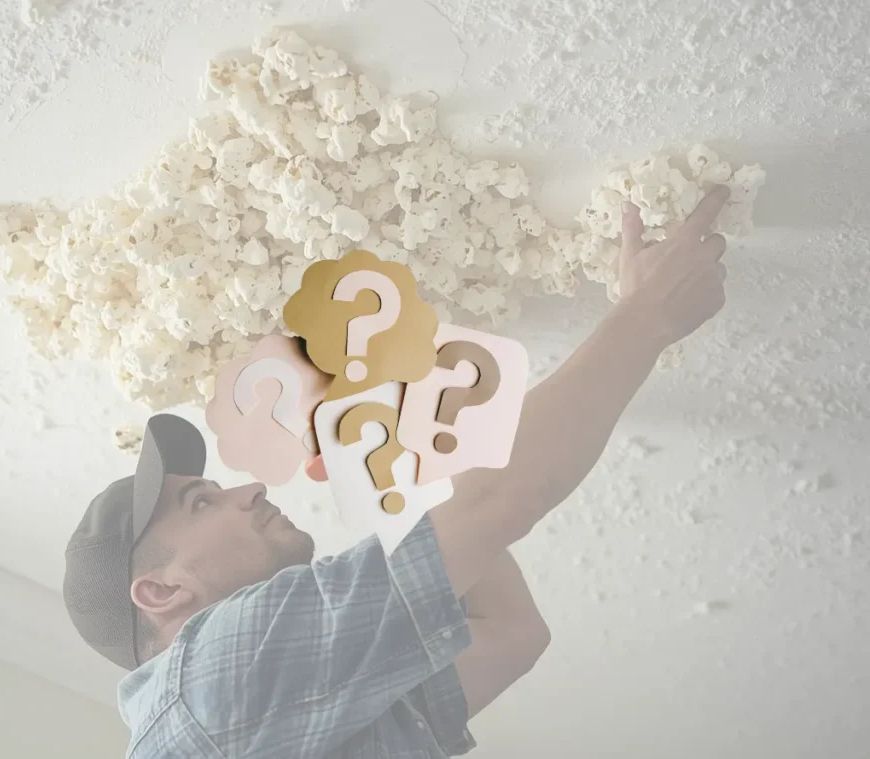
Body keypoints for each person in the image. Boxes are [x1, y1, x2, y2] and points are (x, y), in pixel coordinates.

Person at [63, 188, 732, 758]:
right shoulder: (209, 680)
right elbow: (499, 517)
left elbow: (506, 628)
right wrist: (648, 316)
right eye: (201, 503)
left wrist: (378, 447)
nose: (250, 488)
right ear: (159, 590)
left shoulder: (281, 706)